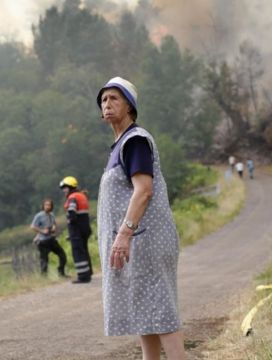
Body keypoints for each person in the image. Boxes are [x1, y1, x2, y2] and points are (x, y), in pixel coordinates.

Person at [96, 76, 185, 360]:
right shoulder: (121, 144)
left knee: (159, 309)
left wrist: (124, 234)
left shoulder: (135, 141)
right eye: (103, 100)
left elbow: (144, 191)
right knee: (146, 315)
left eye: (114, 98)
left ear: (130, 107)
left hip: (146, 242)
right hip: (140, 243)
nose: (107, 104)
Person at [59, 176, 93, 284]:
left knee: (78, 252)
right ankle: (88, 272)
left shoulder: (72, 198)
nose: (64, 190)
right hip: (85, 228)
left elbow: (72, 214)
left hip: (77, 230)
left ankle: (83, 276)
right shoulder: (82, 196)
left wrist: (72, 231)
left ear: (70, 187)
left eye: (65, 187)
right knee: (84, 250)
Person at [30, 198, 68, 277]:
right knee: (44, 260)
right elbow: (33, 226)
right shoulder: (39, 215)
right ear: (43, 206)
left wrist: (54, 227)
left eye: (49, 205)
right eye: (46, 205)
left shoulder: (52, 215)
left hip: (51, 239)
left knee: (62, 255)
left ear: (51, 206)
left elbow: (54, 223)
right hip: (43, 242)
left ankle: (61, 273)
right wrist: (42, 231)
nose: (48, 206)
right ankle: (44, 277)